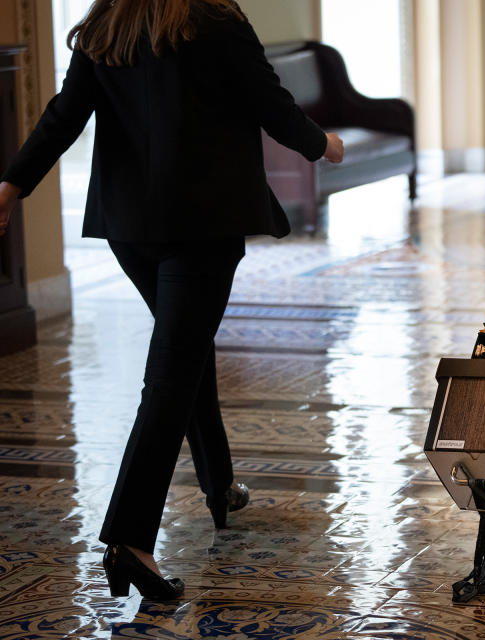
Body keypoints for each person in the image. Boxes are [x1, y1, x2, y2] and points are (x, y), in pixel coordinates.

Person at [0, 0, 344, 600]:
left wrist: (11, 183)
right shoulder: (217, 20)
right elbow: (272, 106)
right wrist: (324, 146)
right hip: (202, 230)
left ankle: (219, 485)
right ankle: (131, 540)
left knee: (184, 353)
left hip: (130, 229)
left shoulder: (108, 25)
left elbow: (64, 116)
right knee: (171, 372)